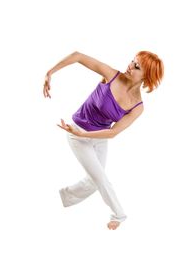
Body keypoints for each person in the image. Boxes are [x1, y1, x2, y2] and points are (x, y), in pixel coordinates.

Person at [43, 50, 164, 230]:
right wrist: (49, 73)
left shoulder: (138, 107)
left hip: (99, 137)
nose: (130, 66)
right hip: (77, 131)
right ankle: (120, 214)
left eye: (137, 66)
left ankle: (63, 197)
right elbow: (78, 56)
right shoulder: (112, 75)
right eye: (132, 61)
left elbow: (113, 132)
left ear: (147, 76)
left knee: (94, 181)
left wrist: (87, 136)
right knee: (102, 179)